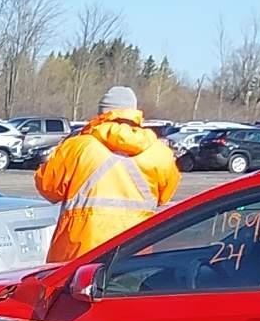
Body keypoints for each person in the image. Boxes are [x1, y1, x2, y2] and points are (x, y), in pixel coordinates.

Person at [33, 86, 180, 263]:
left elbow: (47, 187)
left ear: (102, 112)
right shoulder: (160, 152)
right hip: (133, 253)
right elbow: (165, 196)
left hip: (78, 254)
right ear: (134, 112)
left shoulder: (77, 147)